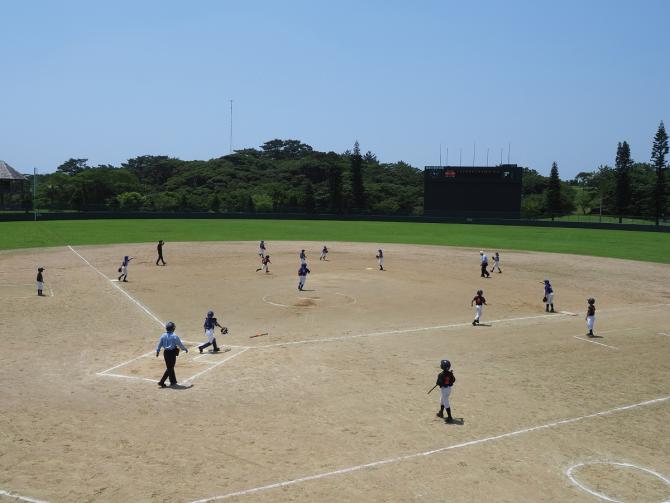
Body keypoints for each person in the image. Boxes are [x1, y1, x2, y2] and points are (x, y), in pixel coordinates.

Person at [155, 321, 188, 388]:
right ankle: (162, 382)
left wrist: (158, 351)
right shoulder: (175, 336)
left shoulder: (163, 335)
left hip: (165, 353)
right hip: (172, 353)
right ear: (173, 329)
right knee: (170, 368)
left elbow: (159, 344)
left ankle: (173, 381)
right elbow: (180, 344)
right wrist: (185, 349)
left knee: (169, 367)